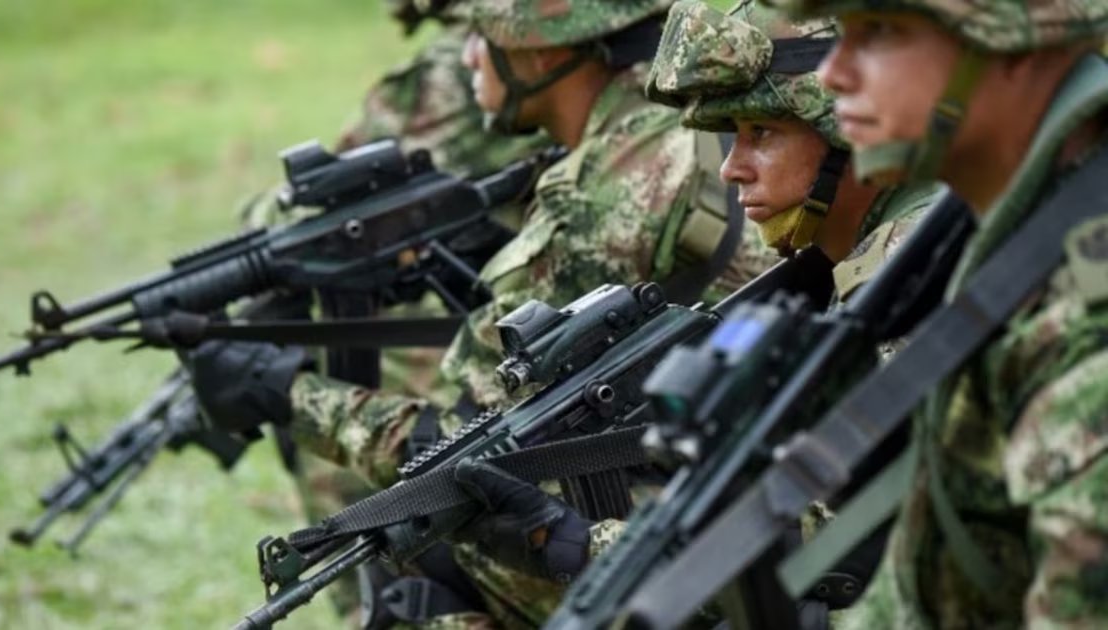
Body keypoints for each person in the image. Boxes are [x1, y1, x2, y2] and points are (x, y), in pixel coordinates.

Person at [188, 0, 777, 625]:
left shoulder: (594, 195)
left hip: (709, 535)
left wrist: (284, 392)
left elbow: (467, 450)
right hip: (742, 481)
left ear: (543, 50)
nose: (467, 57)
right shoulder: (669, 126)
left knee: (430, 553)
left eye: (480, 35)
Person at [450, 2, 945, 626]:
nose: (734, 167)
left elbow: (842, 539)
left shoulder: (915, 274)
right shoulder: (851, 262)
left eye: (761, 133)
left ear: (849, 127)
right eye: (732, 135)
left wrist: (576, 544)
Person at [757, 0, 1108, 625]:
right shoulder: (1011, 248)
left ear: (1015, 46)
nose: (834, 73)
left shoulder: (1084, 324)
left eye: (881, 33)